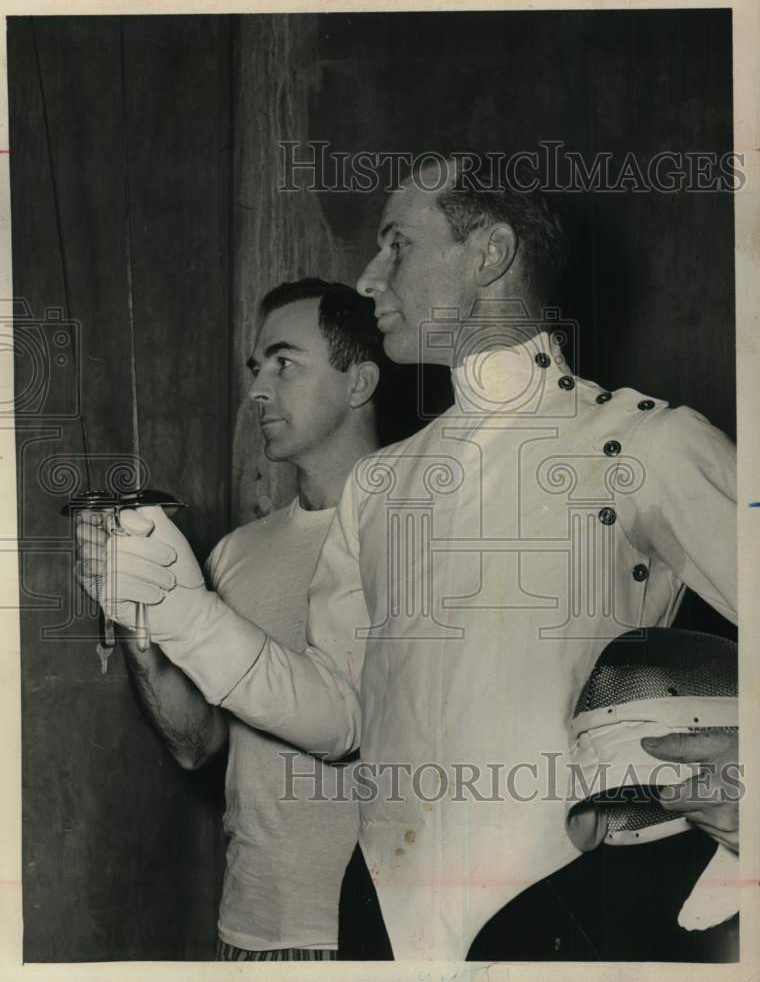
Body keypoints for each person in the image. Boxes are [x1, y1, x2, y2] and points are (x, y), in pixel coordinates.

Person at [80, 156, 738, 961]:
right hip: (377, 917)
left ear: (489, 254)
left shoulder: (642, 444)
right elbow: (337, 715)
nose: (368, 275)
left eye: (396, 245)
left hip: (563, 912)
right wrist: (178, 608)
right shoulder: (381, 485)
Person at [76, 279, 384, 961]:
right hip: (248, 929)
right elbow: (196, 744)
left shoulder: (413, 540)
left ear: (359, 381)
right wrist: (138, 618)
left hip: (373, 935)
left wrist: (181, 609)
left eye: (284, 363)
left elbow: (348, 721)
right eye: (255, 369)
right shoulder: (238, 552)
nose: (258, 390)